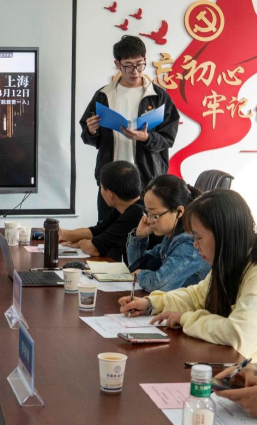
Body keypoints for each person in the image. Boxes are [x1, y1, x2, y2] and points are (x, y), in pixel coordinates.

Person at [119, 189, 257, 362]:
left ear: (222, 235)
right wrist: (151, 303)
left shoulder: (255, 270)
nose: (195, 245)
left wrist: (186, 319)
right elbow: (197, 296)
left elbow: (238, 333)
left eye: (198, 238)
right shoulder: (229, 260)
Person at [80, 35, 180, 222]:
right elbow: (88, 136)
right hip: (111, 181)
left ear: (145, 60)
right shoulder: (103, 95)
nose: (135, 71)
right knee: (107, 231)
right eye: (128, 65)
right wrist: (91, 131)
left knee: (146, 232)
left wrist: (146, 138)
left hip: (147, 180)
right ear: (117, 64)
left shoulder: (158, 96)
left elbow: (168, 138)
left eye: (140, 65)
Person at [127, 175, 210, 292]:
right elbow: (135, 268)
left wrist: (141, 275)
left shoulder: (189, 244)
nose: (149, 220)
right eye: (147, 213)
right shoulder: (171, 237)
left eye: (154, 215)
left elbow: (159, 285)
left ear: (179, 211)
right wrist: (139, 237)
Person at [60, 161, 144, 263]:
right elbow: (97, 231)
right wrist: (62, 234)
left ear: (109, 194)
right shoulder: (124, 207)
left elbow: (93, 249)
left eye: (101, 186)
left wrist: (80, 243)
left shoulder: (134, 214)